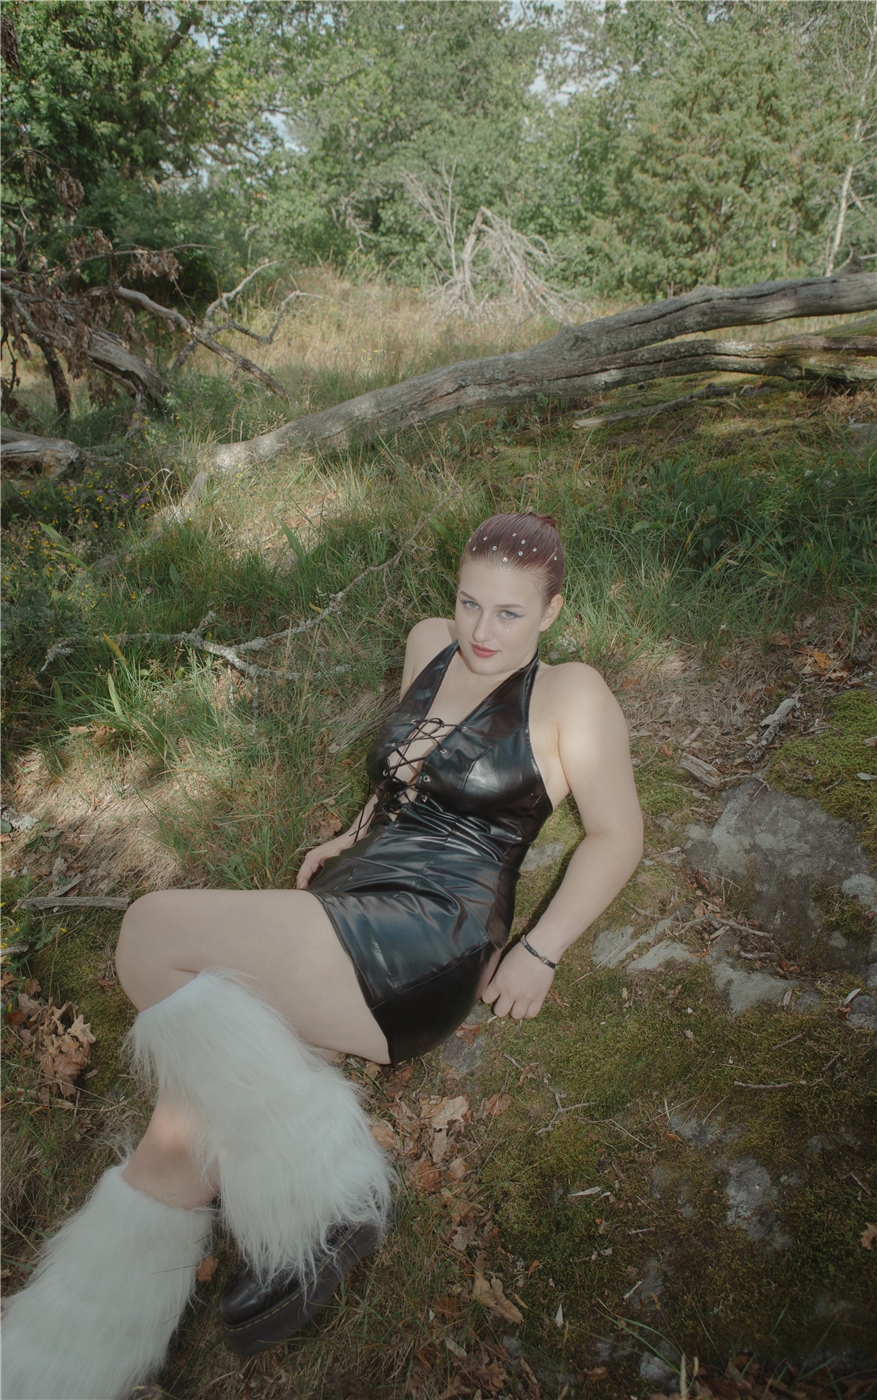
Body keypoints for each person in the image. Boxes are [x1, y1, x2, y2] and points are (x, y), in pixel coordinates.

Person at [1, 513, 643, 1400]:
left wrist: (540, 949)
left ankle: (326, 1193)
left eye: (507, 613)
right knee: (177, 1141)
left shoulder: (571, 694)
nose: (481, 630)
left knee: (151, 933)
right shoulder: (428, 643)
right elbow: (403, 780)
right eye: (469, 603)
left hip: (432, 934)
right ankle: (54, 1367)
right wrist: (352, 831)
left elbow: (618, 836)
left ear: (551, 612)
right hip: (349, 902)